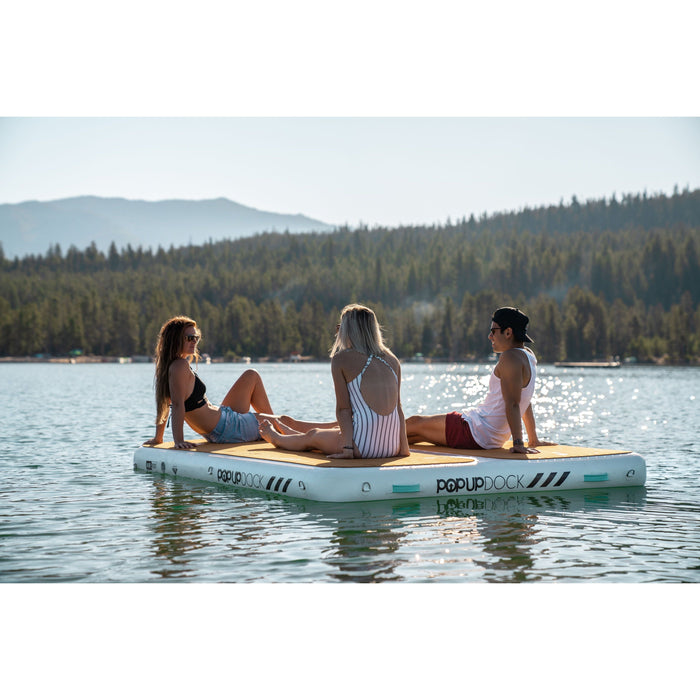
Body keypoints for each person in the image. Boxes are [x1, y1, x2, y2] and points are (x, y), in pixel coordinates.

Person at [259, 304, 410, 459]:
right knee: (332, 431)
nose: (338, 332)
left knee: (313, 436)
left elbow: (344, 410)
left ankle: (277, 438)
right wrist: (403, 450)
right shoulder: (392, 360)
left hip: (363, 447)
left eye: (341, 327)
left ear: (349, 331)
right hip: (392, 446)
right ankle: (293, 434)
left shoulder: (342, 359)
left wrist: (347, 450)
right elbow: (398, 409)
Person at [405, 307, 554, 454]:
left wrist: (518, 443)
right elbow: (525, 401)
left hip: (475, 431)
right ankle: (386, 441)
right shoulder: (528, 355)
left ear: (508, 332)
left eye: (493, 331)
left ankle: (382, 437)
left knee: (414, 422)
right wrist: (533, 439)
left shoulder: (510, 357)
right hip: (488, 435)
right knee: (417, 435)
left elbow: (514, 403)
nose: (490, 336)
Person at [144, 316, 276, 449]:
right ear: (175, 339)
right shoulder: (179, 366)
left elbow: (165, 403)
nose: (194, 342)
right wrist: (179, 441)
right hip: (225, 429)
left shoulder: (170, 366)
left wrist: (158, 437)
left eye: (196, 338)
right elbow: (176, 405)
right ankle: (276, 430)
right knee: (280, 422)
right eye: (190, 338)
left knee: (251, 375)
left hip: (221, 421)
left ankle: (275, 427)